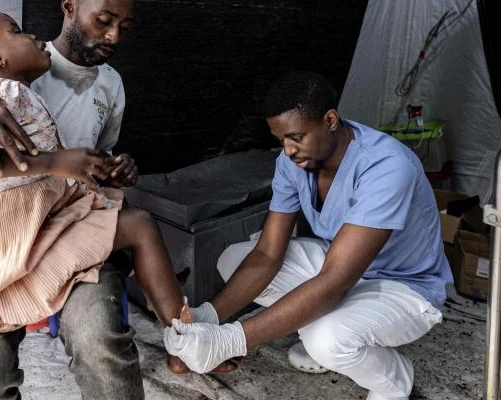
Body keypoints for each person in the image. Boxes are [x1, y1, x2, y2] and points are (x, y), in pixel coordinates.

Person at [0, 13, 192, 391]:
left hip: (49, 227)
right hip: (5, 240)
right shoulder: (1, 94)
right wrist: (52, 161)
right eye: (18, 32)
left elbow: (56, 174)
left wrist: (103, 169)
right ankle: (184, 338)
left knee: (137, 227)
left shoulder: (72, 88)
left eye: (124, 27)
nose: (34, 36)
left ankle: (186, 336)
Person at [164, 71, 453, 400]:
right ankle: (323, 329)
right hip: (341, 264)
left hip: (404, 286)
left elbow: (334, 283)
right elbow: (267, 254)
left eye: (296, 137)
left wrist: (231, 341)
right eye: (280, 140)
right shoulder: (294, 163)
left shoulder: (386, 167)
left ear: (330, 120)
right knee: (234, 259)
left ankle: (394, 378)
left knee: (326, 340)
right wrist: (208, 317)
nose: (288, 150)